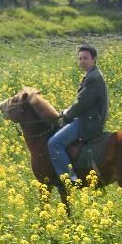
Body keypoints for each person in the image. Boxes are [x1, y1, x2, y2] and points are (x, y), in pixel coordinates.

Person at [48, 44, 109, 184]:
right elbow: (83, 102)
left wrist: (66, 114)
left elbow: (82, 103)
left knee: (54, 143)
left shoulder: (94, 77)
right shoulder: (92, 74)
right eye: (80, 58)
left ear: (94, 59)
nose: (82, 61)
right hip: (87, 117)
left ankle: (70, 178)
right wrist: (66, 111)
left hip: (88, 122)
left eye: (86, 58)